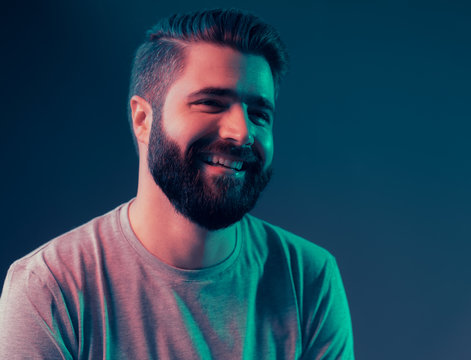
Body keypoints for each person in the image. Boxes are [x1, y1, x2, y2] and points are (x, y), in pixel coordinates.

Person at [0, 8, 354, 359]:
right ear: (142, 119)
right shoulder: (50, 288)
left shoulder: (307, 278)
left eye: (259, 114)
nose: (242, 132)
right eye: (210, 103)